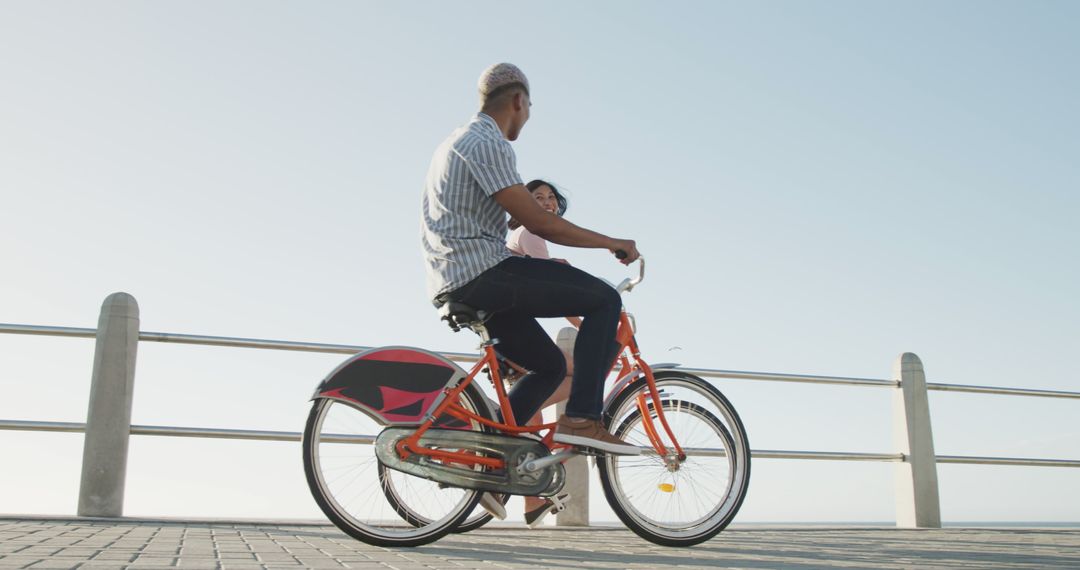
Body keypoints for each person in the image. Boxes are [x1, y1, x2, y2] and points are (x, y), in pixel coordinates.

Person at [420, 63, 640, 458]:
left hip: (456, 276)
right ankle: (582, 419)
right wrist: (611, 242)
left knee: (550, 367)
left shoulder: (455, 142)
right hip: (482, 272)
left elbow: (485, 211)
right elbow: (544, 226)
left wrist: (515, 215)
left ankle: (489, 461)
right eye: (530, 107)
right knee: (605, 299)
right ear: (519, 101)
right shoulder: (488, 142)